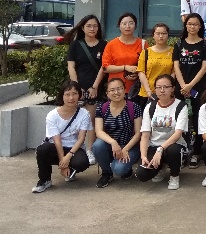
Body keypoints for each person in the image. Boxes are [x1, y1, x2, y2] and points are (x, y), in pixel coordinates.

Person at [32, 80, 92, 193]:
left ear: (79, 95)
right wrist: (63, 162)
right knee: (42, 150)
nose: (71, 98)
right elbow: (57, 140)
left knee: (82, 162)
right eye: (67, 94)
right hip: (55, 147)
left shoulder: (84, 114)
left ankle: (71, 170)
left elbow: (81, 139)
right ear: (62, 96)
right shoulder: (52, 115)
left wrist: (68, 157)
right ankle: (44, 180)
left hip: (74, 148)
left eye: (74, 94)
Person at [65, 14, 107, 166]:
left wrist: (94, 87)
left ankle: (89, 150)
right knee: (75, 120)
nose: (92, 28)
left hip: (96, 88)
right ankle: (74, 149)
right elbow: (71, 66)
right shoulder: (76, 45)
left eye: (95, 26)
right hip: (78, 88)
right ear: (82, 28)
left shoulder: (104, 45)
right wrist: (77, 87)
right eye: (89, 26)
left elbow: (104, 67)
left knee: (91, 120)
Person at [173, 13, 206, 169]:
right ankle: (180, 151)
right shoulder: (178, 44)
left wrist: (190, 86)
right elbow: (176, 66)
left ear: (200, 26)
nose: (192, 27)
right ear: (186, 25)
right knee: (180, 120)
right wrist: (183, 86)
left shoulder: (205, 45)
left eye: (195, 24)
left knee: (197, 119)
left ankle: (196, 152)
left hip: (198, 88)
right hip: (180, 88)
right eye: (189, 24)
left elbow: (204, 68)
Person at [136, 74, 188, 190]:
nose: (162, 90)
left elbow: (178, 134)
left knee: (173, 151)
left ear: (173, 88)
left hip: (173, 145)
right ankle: (159, 167)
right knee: (142, 174)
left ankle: (174, 175)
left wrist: (161, 149)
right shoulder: (150, 107)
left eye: (166, 87)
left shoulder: (181, 106)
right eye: (159, 87)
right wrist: (143, 156)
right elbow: (145, 135)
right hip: (154, 146)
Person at [93, 78, 143, 188]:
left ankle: (126, 170)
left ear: (125, 90)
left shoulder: (134, 107)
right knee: (97, 145)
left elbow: (138, 133)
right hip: (111, 146)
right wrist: (113, 142)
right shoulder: (102, 108)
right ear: (107, 93)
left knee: (119, 169)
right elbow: (98, 131)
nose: (116, 92)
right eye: (112, 90)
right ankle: (107, 173)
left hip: (130, 146)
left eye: (119, 88)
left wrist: (125, 149)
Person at [102, 12, 148, 96]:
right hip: (115, 89)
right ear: (119, 26)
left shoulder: (143, 44)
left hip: (136, 89)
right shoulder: (111, 44)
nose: (128, 26)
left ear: (135, 26)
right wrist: (125, 67)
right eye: (124, 23)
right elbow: (105, 68)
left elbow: (148, 66)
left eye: (131, 23)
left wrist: (137, 74)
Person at [137, 23, 174, 108]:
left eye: (164, 33)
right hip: (147, 93)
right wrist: (148, 90)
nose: (161, 36)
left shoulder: (173, 51)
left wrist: (169, 88)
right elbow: (141, 72)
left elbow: (174, 72)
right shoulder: (146, 52)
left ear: (168, 35)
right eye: (158, 33)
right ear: (153, 35)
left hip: (166, 92)